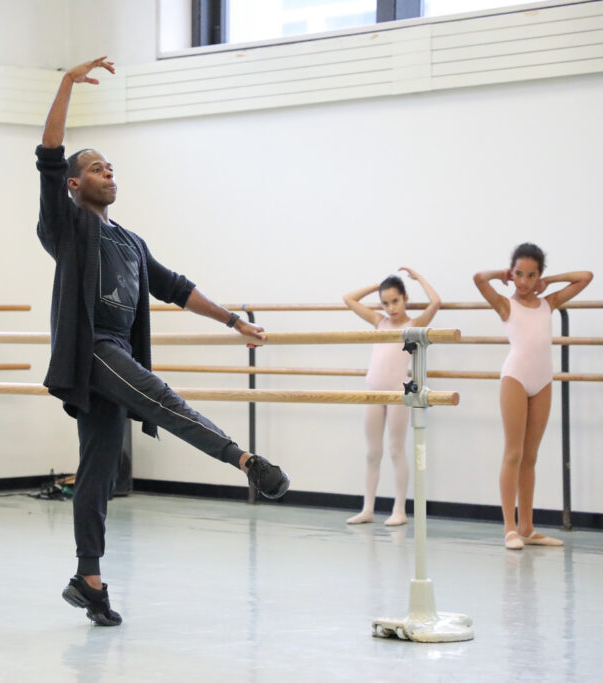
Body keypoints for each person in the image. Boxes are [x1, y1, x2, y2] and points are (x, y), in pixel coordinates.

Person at [36, 56, 290, 626]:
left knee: (99, 472)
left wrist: (232, 321)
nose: (109, 174)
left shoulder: (128, 240)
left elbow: (174, 286)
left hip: (117, 354)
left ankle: (89, 578)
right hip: (93, 352)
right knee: (163, 402)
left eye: (111, 168)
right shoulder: (67, 225)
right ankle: (245, 460)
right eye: (97, 168)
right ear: (76, 185)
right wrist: (66, 85)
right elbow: (48, 158)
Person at [474, 244, 592, 549]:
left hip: (543, 381)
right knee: (513, 453)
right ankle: (510, 529)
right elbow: (478, 279)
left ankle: (527, 527)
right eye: (518, 274)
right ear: (511, 273)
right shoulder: (505, 306)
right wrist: (499, 274)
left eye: (532, 275)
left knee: (531, 457)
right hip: (514, 378)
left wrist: (550, 283)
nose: (524, 281)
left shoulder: (547, 303)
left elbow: (585, 277)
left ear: (539, 276)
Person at [342, 268, 441, 526]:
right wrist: (378, 284)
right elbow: (349, 299)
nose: (390, 308)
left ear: (405, 298)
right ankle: (368, 509)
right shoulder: (379, 321)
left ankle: (399, 509)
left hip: (399, 390)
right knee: (372, 452)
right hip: (373, 390)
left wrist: (419, 278)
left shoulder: (413, 325)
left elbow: (436, 303)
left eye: (395, 301)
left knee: (396, 449)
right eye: (385, 303)